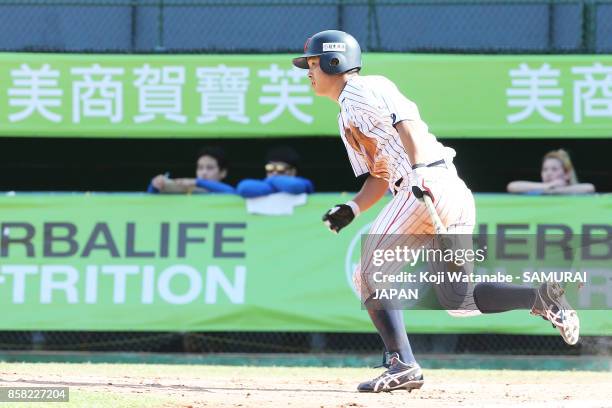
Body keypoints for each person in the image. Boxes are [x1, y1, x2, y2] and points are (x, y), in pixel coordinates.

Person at [293, 30, 580, 393]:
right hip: (444, 187)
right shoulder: (345, 114)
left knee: (367, 273)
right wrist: (352, 207)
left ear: (335, 61)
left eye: (314, 63)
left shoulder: (363, 89)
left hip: (428, 183)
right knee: (458, 298)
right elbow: (380, 176)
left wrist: (420, 170)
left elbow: (406, 122)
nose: (308, 71)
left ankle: (402, 363)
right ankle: (538, 297)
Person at [148, 147, 235, 194]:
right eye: (200, 168)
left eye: (210, 168)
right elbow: (149, 199)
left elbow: (232, 192)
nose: (203, 173)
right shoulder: (188, 191)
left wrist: (196, 182)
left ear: (223, 172)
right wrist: (154, 185)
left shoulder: (227, 192)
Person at [236, 146, 314, 198]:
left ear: (292, 172)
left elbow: (294, 186)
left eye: (280, 168)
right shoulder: (264, 183)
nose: (274, 173)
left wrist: (272, 180)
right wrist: (274, 184)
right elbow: (243, 188)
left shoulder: (303, 182)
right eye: (270, 168)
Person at [507, 149, 596, 194]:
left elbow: (589, 188)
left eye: (554, 169)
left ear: (566, 174)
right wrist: (548, 186)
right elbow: (512, 186)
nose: (548, 173)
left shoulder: (574, 192)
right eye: (545, 170)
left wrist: (558, 190)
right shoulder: (537, 191)